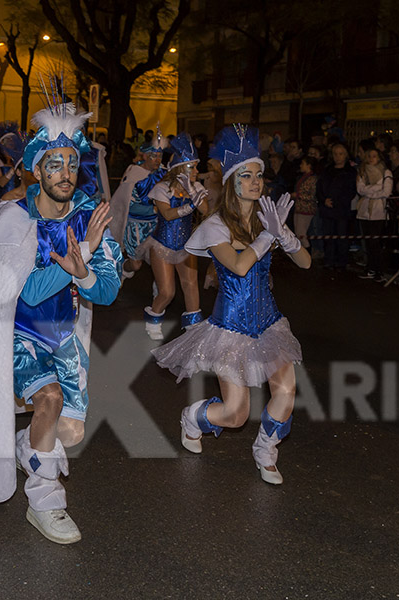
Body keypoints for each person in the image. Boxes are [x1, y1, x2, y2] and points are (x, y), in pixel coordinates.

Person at [0, 100, 122, 544]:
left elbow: (108, 292)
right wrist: (74, 264)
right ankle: (45, 501)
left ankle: (29, 446)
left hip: (63, 338)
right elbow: (30, 292)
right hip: (15, 335)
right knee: (50, 400)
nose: (65, 173)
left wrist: (86, 269)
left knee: (71, 431)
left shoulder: (89, 220)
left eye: (72, 164)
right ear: (36, 170)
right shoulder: (13, 218)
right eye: (54, 164)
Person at [152, 124, 311, 485]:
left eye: (259, 174)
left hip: (269, 322)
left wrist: (283, 236)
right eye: (246, 175)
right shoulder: (214, 226)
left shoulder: (265, 221)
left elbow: (306, 263)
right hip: (231, 328)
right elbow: (239, 266)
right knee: (237, 414)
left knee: (286, 388)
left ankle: (266, 447)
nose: (256, 181)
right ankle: (194, 417)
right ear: (231, 181)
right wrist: (267, 237)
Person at [137, 133, 210, 340]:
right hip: (162, 244)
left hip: (186, 245)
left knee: (191, 285)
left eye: (197, 166)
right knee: (167, 292)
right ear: (180, 168)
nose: (196, 171)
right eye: (192, 167)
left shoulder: (196, 188)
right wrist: (190, 205)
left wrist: (193, 194)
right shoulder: (162, 188)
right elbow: (167, 214)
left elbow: (205, 210)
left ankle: (193, 328)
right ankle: (153, 318)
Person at [109, 136, 166, 280]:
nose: (157, 160)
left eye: (160, 156)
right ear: (145, 156)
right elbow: (128, 204)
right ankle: (123, 270)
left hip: (155, 225)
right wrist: (153, 210)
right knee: (136, 265)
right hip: (135, 227)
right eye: (154, 156)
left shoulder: (163, 174)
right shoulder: (134, 174)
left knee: (160, 262)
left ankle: (159, 292)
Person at [316, 143, 357, 270]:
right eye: (335, 154)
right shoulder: (327, 170)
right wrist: (324, 200)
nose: (338, 157)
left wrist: (337, 202)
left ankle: (341, 261)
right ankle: (329, 260)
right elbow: (319, 188)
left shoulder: (350, 172)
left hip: (341, 209)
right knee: (328, 236)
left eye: (341, 154)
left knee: (341, 236)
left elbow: (350, 191)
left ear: (346, 155)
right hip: (327, 209)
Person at [356, 147, 393, 280]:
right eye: (369, 156)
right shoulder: (362, 172)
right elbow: (360, 189)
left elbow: (386, 192)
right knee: (368, 242)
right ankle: (370, 268)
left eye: (374, 156)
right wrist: (376, 189)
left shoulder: (385, 172)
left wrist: (370, 191)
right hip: (365, 210)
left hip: (378, 212)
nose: (371, 159)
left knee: (375, 242)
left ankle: (378, 270)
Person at [293, 156, 319, 251]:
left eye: (303, 163)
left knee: (301, 233)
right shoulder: (303, 177)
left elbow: (312, 195)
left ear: (309, 165)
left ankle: (307, 252)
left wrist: (298, 195)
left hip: (306, 209)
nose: (300, 166)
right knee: (298, 233)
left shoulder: (312, 179)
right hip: (299, 207)